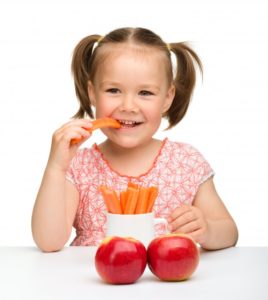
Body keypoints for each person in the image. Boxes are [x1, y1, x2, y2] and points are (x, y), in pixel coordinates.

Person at [31, 27, 238, 252]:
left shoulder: (186, 161)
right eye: (113, 90)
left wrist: (207, 230)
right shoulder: (78, 165)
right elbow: (48, 242)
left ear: (167, 98)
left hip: (168, 285)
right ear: (92, 93)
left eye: (145, 93)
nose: (128, 106)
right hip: (94, 283)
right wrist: (56, 167)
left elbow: (229, 232)